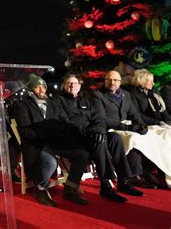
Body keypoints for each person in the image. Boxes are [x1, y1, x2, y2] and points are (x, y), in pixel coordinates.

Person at [55, 73, 144, 202]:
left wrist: (98, 130)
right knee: (99, 141)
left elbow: (99, 118)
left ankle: (124, 181)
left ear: (79, 86)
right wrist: (92, 131)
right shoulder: (58, 101)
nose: (72, 85)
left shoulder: (85, 100)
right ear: (64, 85)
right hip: (74, 137)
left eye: (75, 83)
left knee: (114, 138)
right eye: (69, 83)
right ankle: (105, 186)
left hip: (91, 135)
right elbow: (65, 123)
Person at [14, 74, 89, 207]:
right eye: (37, 87)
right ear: (31, 89)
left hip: (55, 141)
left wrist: (63, 131)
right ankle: (40, 188)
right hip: (36, 144)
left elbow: (61, 122)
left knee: (82, 154)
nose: (42, 90)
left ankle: (70, 188)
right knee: (50, 162)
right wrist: (47, 131)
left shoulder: (51, 103)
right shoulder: (22, 105)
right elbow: (26, 131)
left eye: (43, 86)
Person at [91, 70, 171, 190]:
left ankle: (147, 171)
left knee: (150, 134)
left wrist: (141, 125)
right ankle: (134, 174)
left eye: (116, 80)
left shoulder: (125, 94)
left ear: (120, 82)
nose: (112, 82)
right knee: (133, 138)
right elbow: (102, 119)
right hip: (110, 128)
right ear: (105, 81)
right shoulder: (98, 95)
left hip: (125, 125)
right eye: (109, 79)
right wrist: (129, 127)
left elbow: (134, 114)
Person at [127, 69, 171, 188]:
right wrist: (159, 122)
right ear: (141, 80)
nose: (152, 84)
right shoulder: (132, 93)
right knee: (166, 136)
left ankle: (165, 172)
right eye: (150, 81)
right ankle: (163, 173)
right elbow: (137, 115)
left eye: (153, 81)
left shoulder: (153, 91)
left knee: (169, 133)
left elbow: (163, 110)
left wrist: (167, 121)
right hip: (144, 124)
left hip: (157, 124)